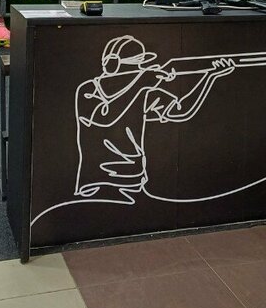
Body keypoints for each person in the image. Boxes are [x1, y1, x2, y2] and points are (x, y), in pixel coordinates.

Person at [75, 34, 235, 201]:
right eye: (135, 64)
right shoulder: (89, 89)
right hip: (96, 180)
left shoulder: (144, 91)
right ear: (112, 65)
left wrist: (210, 77)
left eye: (141, 64)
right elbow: (104, 118)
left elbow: (181, 111)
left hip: (132, 179)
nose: (140, 69)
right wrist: (141, 84)